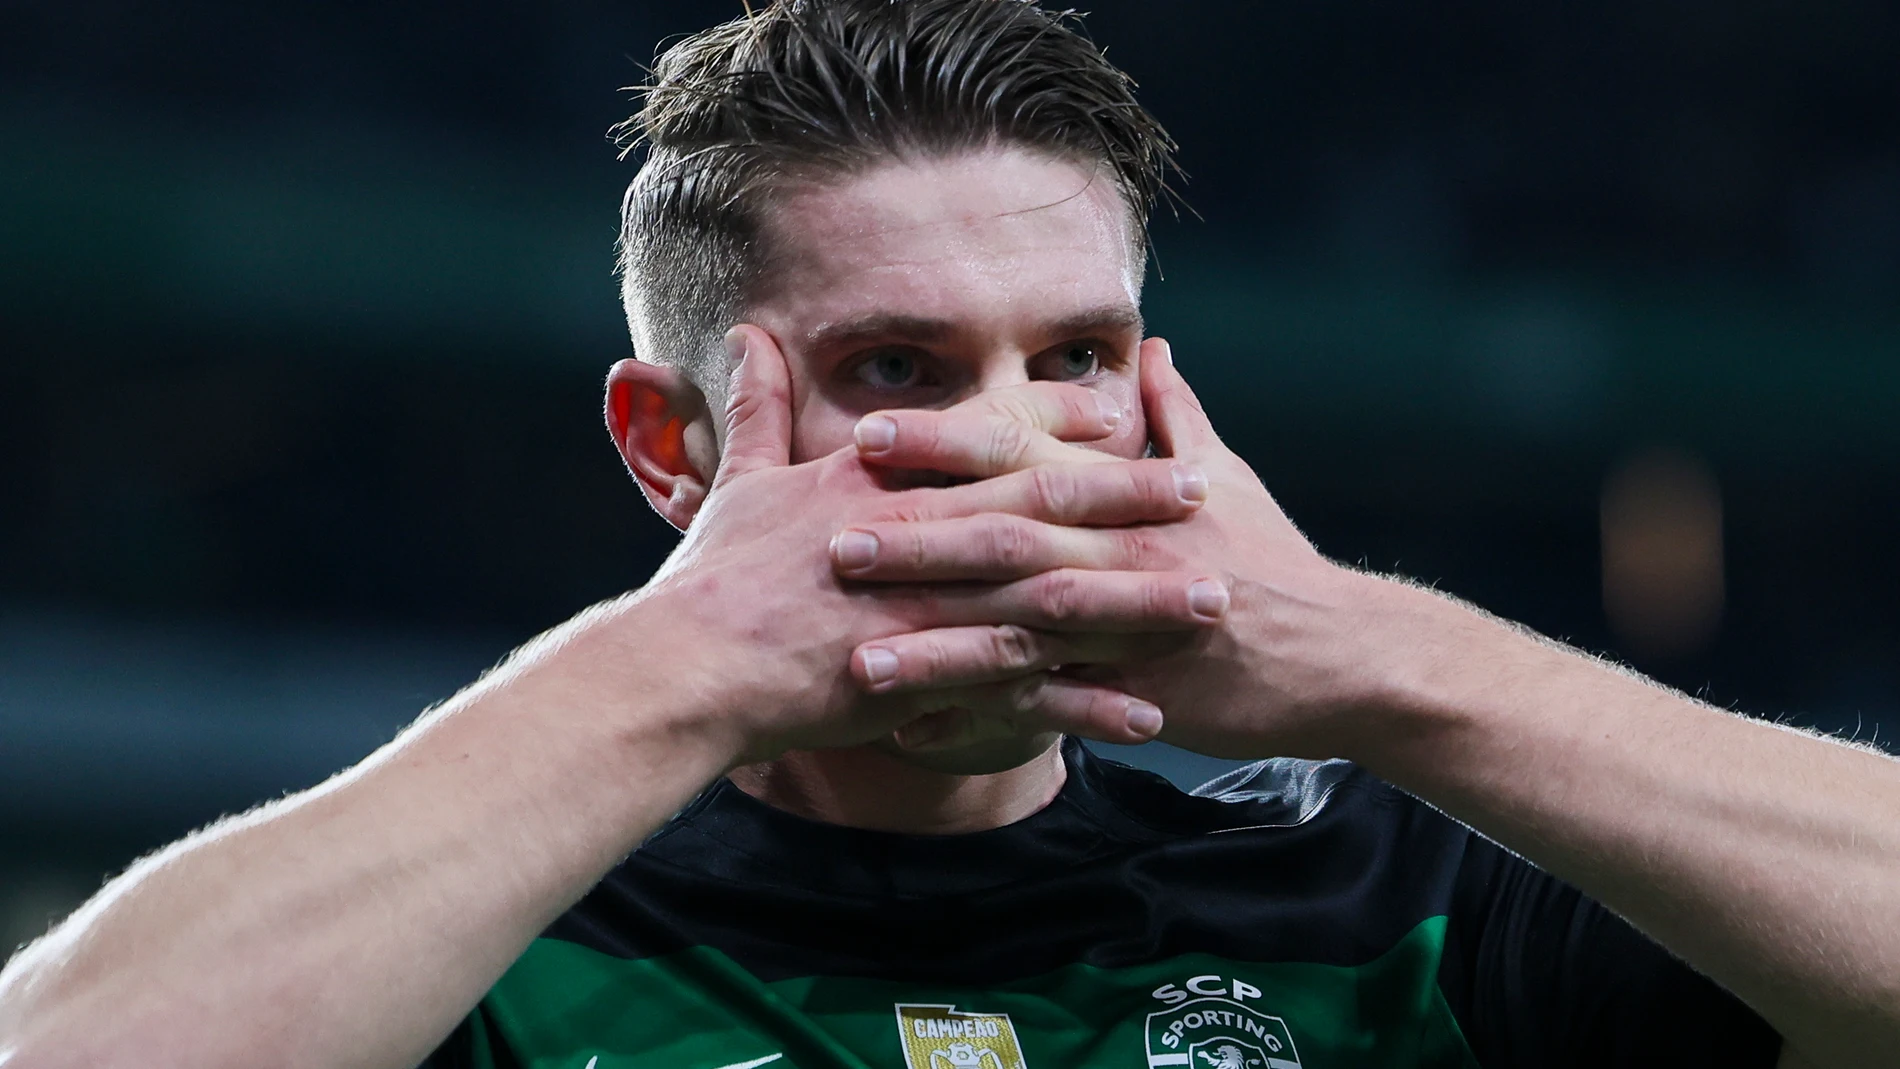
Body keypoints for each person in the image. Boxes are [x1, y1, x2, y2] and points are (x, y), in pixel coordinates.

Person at [2, 2, 1896, 1067]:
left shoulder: (1402, 894)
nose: (1006, 444)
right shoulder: (485, 929)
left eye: (1072, 357)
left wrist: (1382, 666)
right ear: (673, 447)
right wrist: (675, 667)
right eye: (901, 365)